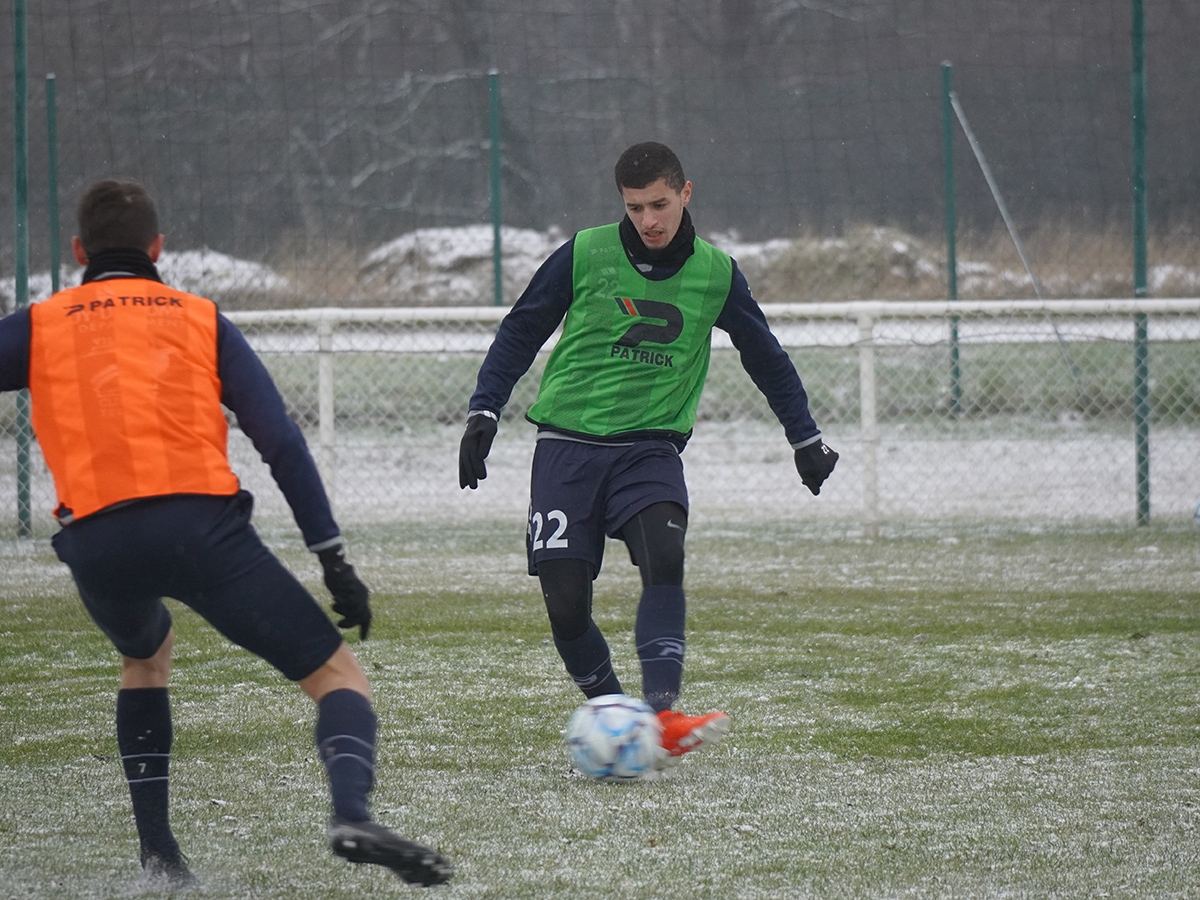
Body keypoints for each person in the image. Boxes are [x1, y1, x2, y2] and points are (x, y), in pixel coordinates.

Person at [0, 179, 452, 888]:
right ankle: (351, 813)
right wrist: (332, 561)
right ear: (158, 248)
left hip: (96, 541)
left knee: (147, 655)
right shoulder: (199, 318)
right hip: (199, 528)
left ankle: (160, 856)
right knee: (338, 676)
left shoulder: (40, 323)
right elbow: (281, 441)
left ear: (80, 251)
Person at [458, 142, 838, 767]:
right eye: (635, 208)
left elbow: (765, 356)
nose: (649, 221)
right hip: (566, 448)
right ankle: (621, 722)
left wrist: (804, 437)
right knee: (565, 605)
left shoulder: (716, 274)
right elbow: (521, 328)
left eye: (659, 204)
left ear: (686, 193)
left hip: (649, 450)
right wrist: (483, 410)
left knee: (665, 554)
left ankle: (662, 714)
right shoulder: (584, 254)